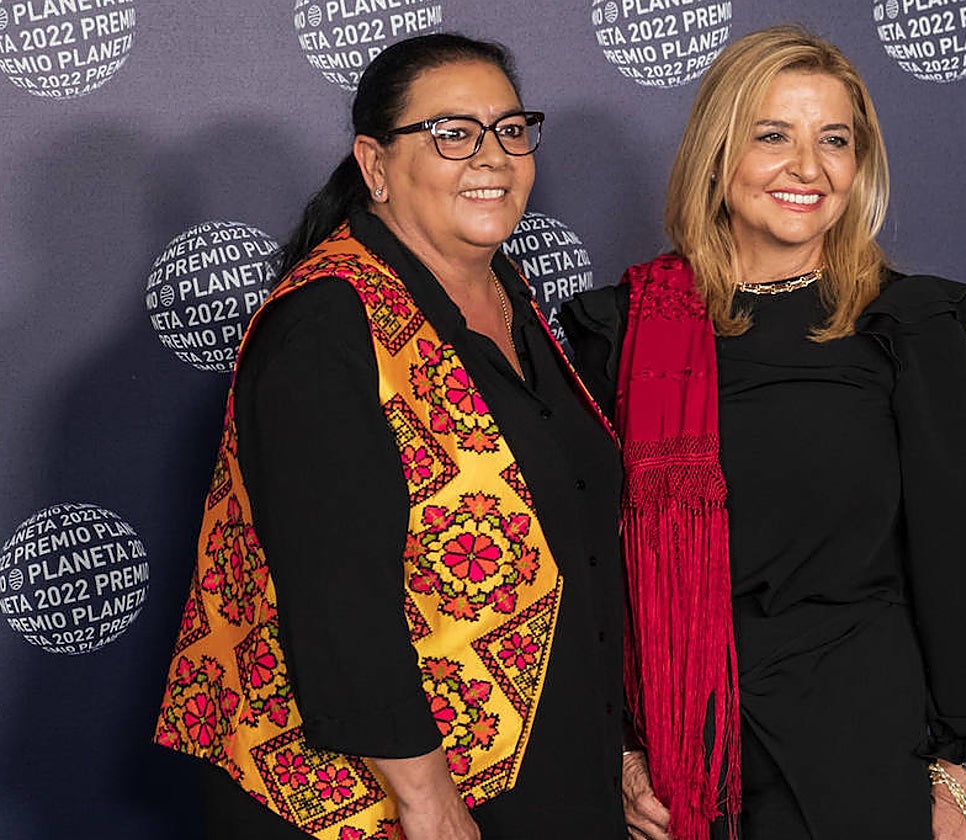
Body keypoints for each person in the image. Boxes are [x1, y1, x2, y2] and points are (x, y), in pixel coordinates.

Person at [562, 24, 966, 840]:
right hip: (682, 757)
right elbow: (586, 569)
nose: (808, 168)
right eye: (773, 135)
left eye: (835, 141)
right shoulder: (625, 331)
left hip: (857, 749)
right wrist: (622, 752)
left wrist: (965, 761)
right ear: (718, 153)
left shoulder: (903, 325)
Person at [154, 33, 626, 840]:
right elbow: (335, 589)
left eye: (511, 130)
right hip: (377, 798)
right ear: (375, 165)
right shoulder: (325, 324)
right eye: (452, 133)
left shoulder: (507, 296)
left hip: (537, 765)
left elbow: (573, 538)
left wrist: (614, 752)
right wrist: (426, 798)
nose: (492, 157)